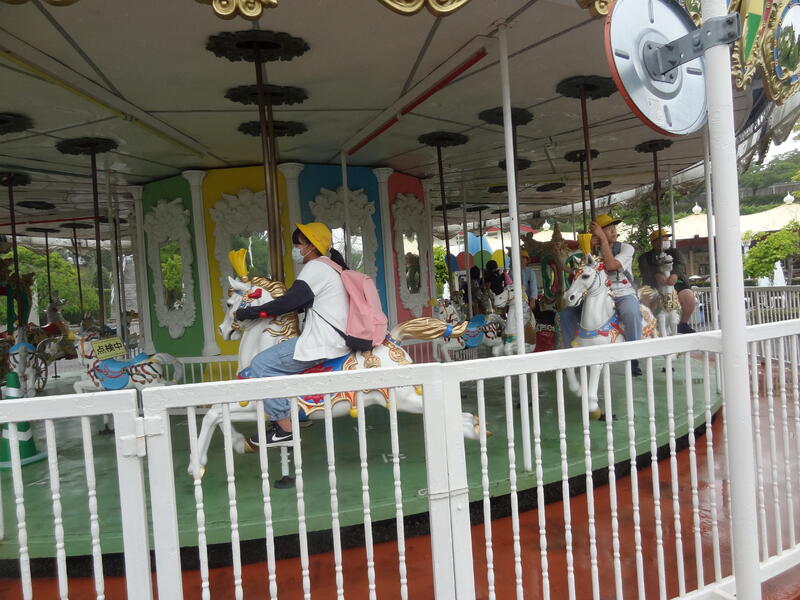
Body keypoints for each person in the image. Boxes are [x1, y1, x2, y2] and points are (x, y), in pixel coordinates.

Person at [234, 222, 350, 447]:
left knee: (261, 364)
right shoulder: (332, 268)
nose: (295, 250)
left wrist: (248, 312)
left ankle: (284, 429)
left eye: (298, 245)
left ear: (310, 246)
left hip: (323, 341)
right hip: (333, 338)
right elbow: (299, 304)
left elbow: (287, 302)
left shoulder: (316, 267)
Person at [559, 214, 643, 375]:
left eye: (613, 227)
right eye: (607, 229)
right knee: (567, 314)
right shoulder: (592, 252)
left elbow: (611, 266)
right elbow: (581, 272)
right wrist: (588, 249)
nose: (613, 230)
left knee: (631, 312)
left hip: (622, 292)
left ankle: (633, 357)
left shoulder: (626, 248)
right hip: (598, 293)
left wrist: (603, 240)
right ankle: (572, 357)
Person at [638, 229, 696, 334]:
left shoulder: (674, 252)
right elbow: (645, 268)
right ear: (654, 242)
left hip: (675, 283)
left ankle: (683, 323)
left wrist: (675, 274)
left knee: (689, 296)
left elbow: (681, 263)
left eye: (666, 239)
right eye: (663, 239)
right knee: (643, 299)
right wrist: (656, 274)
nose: (666, 241)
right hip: (653, 286)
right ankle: (648, 325)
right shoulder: (644, 257)